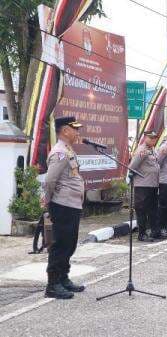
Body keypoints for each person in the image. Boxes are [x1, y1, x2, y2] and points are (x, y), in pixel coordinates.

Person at [43, 116, 85, 299]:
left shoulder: (68, 150)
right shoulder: (60, 152)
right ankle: (52, 285)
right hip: (62, 204)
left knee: (70, 243)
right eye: (75, 128)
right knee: (60, 245)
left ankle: (63, 278)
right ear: (65, 130)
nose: (78, 132)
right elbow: (50, 180)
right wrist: (48, 201)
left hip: (72, 204)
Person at [129, 130, 162, 242]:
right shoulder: (142, 150)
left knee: (153, 209)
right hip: (143, 185)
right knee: (142, 210)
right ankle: (142, 234)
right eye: (151, 138)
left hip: (152, 184)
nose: (153, 140)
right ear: (145, 138)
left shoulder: (152, 150)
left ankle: (155, 232)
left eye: (155, 138)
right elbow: (132, 166)